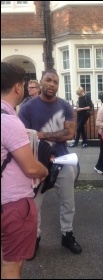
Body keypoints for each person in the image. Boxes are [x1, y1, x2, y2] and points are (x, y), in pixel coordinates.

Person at [18, 69, 82, 260]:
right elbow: (24, 136)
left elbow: (70, 133)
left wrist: (42, 134)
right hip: (37, 163)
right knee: (35, 205)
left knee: (68, 202)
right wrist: (52, 134)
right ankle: (35, 238)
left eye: (55, 81)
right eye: (48, 80)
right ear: (41, 82)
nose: (52, 84)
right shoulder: (27, 108)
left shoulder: (65, 106)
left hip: (63, 160)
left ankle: (67, 234)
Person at [1, 62, 48, 279]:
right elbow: (30, 167)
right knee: (11, 265)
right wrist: (44, 170)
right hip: (12, 205)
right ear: (18, 87)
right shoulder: (9, 122)